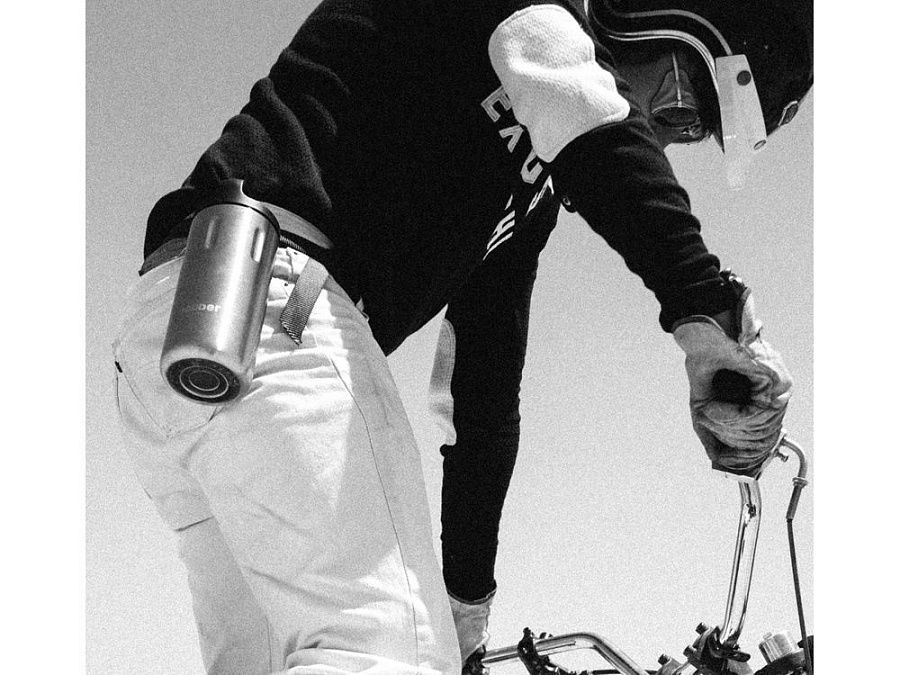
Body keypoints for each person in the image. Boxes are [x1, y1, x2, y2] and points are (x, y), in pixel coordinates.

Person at [111, 0, 812, 673]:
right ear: (666, 17)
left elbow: (484, 394)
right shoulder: (540, 43)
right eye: (685, 110)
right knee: (385, 655)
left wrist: (466, 602)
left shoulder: (531, 188)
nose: (664, 136)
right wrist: (709, 311)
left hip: (197, 341)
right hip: (269, 293)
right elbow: (586, 110)